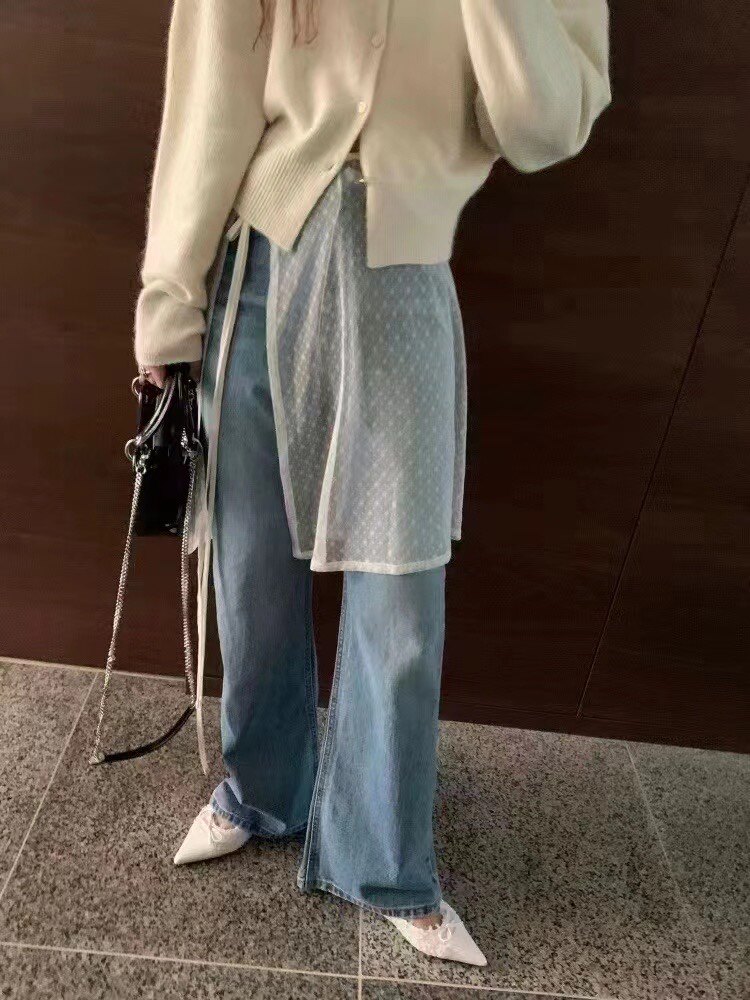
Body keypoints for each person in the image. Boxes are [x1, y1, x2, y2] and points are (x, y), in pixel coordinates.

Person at [133, 0, 611, 966]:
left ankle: (387, 861)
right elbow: (210, 100)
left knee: (402, 590)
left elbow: (545, 127)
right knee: (251, 565)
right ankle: (261, 791)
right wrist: (169, 304)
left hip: (404, 269)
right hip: (262, 261)